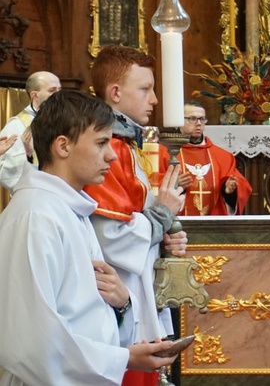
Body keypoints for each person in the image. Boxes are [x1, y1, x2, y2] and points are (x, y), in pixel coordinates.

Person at [0, 90, 178, 385]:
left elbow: (84, 316)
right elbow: (31, 342)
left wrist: (123, 305)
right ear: (62, 146)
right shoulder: (36, 217)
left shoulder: (71, 211)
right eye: (101, 143)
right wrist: (124, 359)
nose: (110, 154)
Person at [84, 44, 187, 386]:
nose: (154, 100)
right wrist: (161, 216)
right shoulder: (108, 147)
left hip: (131, 291)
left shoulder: (125, 144)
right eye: (145, 89)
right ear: (115, 93)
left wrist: (166, 234)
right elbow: (111, 239)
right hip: (116, 294)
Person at [160, 99, 252, 216]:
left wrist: (228, 191)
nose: (198, 123)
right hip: (175, 226)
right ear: (179, 121)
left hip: (212, 228)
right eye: (192, 118)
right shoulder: (164, 153)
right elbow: (152, 183)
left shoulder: (223, 157)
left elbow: (243, 187)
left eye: (202, 119)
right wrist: (174, 184)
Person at [0, 70, 61, 189]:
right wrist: (29, 155)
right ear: (34, 95)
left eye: (60, 90)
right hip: (34, 195)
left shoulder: (62, 120)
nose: (58, 95)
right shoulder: (17, 125)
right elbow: (6, 171)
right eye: (52, 90)